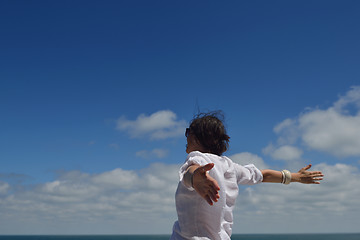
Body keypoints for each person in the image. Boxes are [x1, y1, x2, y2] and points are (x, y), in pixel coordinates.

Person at [170, 112, 324, 240]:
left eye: (188, 132)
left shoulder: (197, 158)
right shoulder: (229, 166)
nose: (186, 136)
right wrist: (295, 176)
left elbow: (191, 170)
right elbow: (264, 175)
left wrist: (195, 178)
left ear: (197, 137)